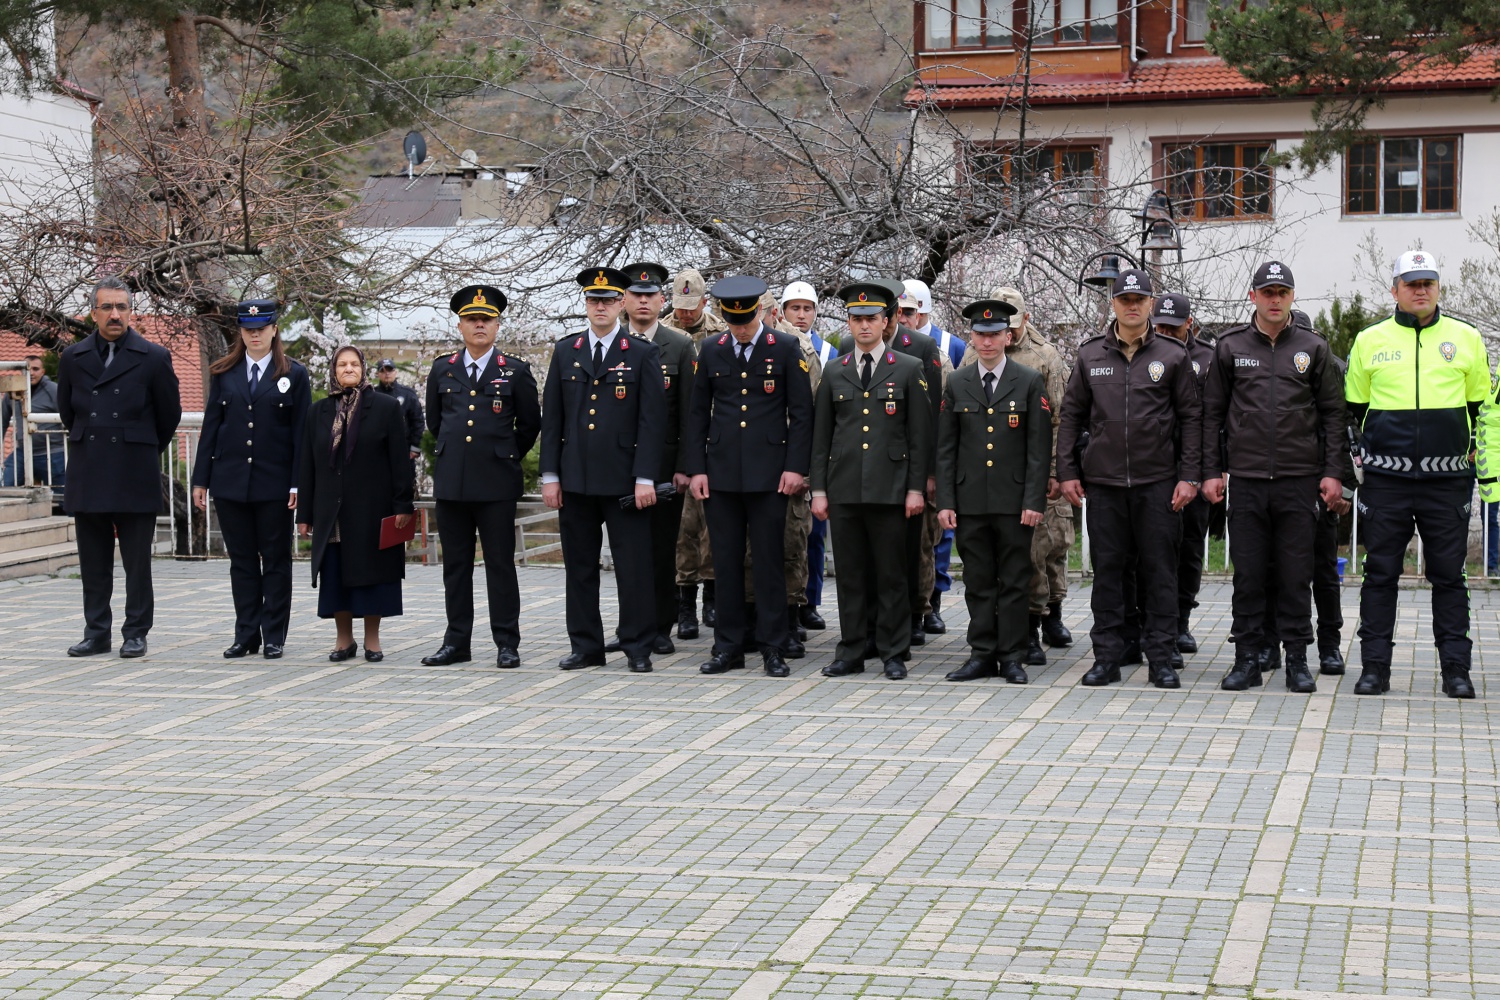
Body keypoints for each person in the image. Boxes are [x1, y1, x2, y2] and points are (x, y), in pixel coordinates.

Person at [1347, 250, 1489, 698]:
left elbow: (1480, 410)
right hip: (1386, 482)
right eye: (1411, 283)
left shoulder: (1467, 338)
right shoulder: (1369, 340)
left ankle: (1456, 671)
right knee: (1380, 575)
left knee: (1449, 577)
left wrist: (1478, 464)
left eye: (1428, 282)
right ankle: (1374, 670)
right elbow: (1354, 410)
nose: (1421, 290)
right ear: (1395, 290)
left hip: (1447, 481)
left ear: (1439, 287)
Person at [1200, 262, 1348, 694]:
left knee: (1295, 574)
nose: (1275, 299)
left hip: (1298, 481)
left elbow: (1333, 416)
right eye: (1268, 292)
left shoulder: (1313, 347)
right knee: (1248, 575)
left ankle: (1297, 661)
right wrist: (1211, 471)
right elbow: (1212, 415)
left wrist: (1333, 473)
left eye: (1282, 292)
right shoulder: (1230, 346)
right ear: (1254, 297)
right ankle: (1247, 659)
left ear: (1292, 296)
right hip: (1246, 481)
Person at [1056, 269, 1201, 689]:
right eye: (1125, 299)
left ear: (1151, 303)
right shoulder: (1090, 355)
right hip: (1104, 483)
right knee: (1108, 573)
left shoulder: (1173, 355)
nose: (1132, 306)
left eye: (1140, 299)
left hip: (1158, 483)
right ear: (1114, 304)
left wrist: (1189, 476)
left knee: (1160, 572)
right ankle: (1107, 658)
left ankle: (1161, 659)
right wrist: (1067, 472)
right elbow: (1071, 417)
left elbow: (1192, 419)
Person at [541, 266, 667, 673]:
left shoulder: (642, 353)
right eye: (594, 300)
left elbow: (653, 421)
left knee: (633, 568)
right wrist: (550, 476)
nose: (601, 307)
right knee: (580, 568)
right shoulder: (567, 350)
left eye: (609, 300)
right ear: (586, 304)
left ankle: (637, 646)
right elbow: (553, 419)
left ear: (621, 304)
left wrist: (645, 477)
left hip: (624, 479)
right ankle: (586, 646)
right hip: (575, 478)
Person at [687, 276, 814, 678]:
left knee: (768, 562)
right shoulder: (712, 349)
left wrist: (795, 467)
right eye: (732, 321)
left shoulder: (785, 347)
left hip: (770, 474)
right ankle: (728, 647)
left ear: (759, 311)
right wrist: (697, 469)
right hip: (721, 473)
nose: (739, 329)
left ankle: (773, 646)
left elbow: (802, 413)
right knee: (723, 563)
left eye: (745, 321)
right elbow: (696, 414)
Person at [812, 281, 934, 680]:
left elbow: (919, 436)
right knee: (850, 575)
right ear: (848, 323)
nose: (864, 326)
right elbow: (821, 437)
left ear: (887, 321)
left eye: (872, 318)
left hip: (891, 488)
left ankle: (893, 651)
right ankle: (851, 649)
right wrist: (818, 490)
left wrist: (915, 488)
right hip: (844, 487)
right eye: (857, 319)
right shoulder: (835, 370)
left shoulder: (908, 368)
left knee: (891, 574)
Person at [56, 276, 182, 659]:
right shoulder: (73, 357)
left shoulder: (154, 357)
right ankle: (96, 632)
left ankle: (136, 632)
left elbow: (169, 416)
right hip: (89, 469)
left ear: (131, 312)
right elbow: (68, 413)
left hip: (134, 471)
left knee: (137, 563)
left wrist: (140, 448)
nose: (115, 314)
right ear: (93, 313)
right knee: (93, 562)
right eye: (107, 307)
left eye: (122, 307)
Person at [420, 285, 542, 670]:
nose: (479, 325)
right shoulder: (442, 368)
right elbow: (435, 422)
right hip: (453, 483)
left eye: (486, 320)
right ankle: (456, 642)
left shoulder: (515, 371)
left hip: (496, 484)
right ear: (460, 326)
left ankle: (507, 642)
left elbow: (530, 425)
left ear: (497, 325)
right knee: (455, 567)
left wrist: (503, 454)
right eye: (472, 319)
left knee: (500, 565)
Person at [191, 299, 311, 659]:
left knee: (275, 560)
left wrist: (297, 483)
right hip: (230, 481)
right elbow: (211, 428)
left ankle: (273, 635)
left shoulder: (294, 373)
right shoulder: (224, 372)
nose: (254, 335)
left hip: (274, 484)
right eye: (248, 330)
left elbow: (301, 434)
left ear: (274, 330)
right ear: (240, 332)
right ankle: (246, 634)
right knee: (241, 561)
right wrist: (201, 479)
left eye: (261, 329)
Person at [937, 298, 1049, 684]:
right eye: (981, 335)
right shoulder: (957, 382)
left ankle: (1012, 656)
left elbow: (1038, 449)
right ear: (971, 337)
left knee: (1015, 580)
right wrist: (946, 501)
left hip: (1014, 502)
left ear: (1008, 336)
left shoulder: (1029, 381)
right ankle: (981, 653)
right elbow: (946, 449)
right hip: (970, 501)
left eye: (995, 334)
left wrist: (1034, 500)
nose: (987, 342)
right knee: (979, 580)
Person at [298, 345, 414, 662]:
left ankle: (372, 641)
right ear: (333, 371)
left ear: (363, 369)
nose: (348, 369)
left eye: (354, 364)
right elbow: (307, 465)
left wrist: (403, 504)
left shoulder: (386, 408)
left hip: (372, 507)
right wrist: (304, 513)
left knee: (372, 574)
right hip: (331, 509)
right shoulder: (317, 412)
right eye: (341, 364)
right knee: (335, 574)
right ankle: (343, 640)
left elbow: (399, 461)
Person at [979, 286, 1074, 666]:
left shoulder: (1045, 356)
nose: (1008, 334)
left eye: (1013, 326)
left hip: (1035, 470)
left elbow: (1059, 419)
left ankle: (1045, 618)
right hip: (994, 476)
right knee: (1011, 557)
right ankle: (1019, 627)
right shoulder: (976, 352)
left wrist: (1054, 471)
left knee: (1046, 549)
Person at [610, 262, 696, 656]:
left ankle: (661, 626)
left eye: (650, 295)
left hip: (663, 466)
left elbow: (690, 412)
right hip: (618, 465)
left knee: (661, 550)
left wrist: (684, 466)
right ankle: (629, 626)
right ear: (623, 300)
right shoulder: (610, 342)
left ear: (663, 300)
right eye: (636, 295)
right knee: (626, 552)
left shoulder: (679, 345)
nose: (643, 301)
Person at [1150, 292, 1215, 655]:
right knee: (1154, 549)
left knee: (1189, 548)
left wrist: (1213, 469)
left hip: (1195, 467)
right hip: (1154, 465)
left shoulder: (1208, 358)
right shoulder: (1145, 353)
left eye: (1173, 328)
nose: (1165, 333)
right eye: (1160, 327)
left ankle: (1181, 621)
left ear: (1189, 325)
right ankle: (1151, 621)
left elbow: (1215, 417)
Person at [671, 266, 724, 636]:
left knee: (712, 528)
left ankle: (712, 599)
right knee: (683, 530)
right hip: (676, 444)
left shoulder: (721, 334)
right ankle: (684, 602)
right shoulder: (663, 333)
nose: (684, 313)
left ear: (705, 302)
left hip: (714, 440)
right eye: (679, 305)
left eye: (691, 307)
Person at [781, 281, 833, 631]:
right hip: (781, 454)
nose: (801, 315)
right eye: (794, 308)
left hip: (815, 455)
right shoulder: (778, 345)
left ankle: (809, 601)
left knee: (813, 535)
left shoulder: (827, 352)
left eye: (808, 308)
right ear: (782, 311)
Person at [2, 354, 64, 488]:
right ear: (21, 371)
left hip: (52, 452)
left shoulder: (53, 390)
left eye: (35, 369)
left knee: (62, 493)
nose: (31, 373)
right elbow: (2, 420)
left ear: (43, 371)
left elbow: (68, 416)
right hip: (22, 451)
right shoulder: (13, 392)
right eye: (27, 369)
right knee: (7, 485)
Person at [373, 358, 425, 467]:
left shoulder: (408, 394)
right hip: (378, 451)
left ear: (395, 372)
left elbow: (418, 421)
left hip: (404, 449)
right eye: (383, 371)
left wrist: (415, 447)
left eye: (390, 370)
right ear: (378, 374)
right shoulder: (372, 395)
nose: (387, 374)